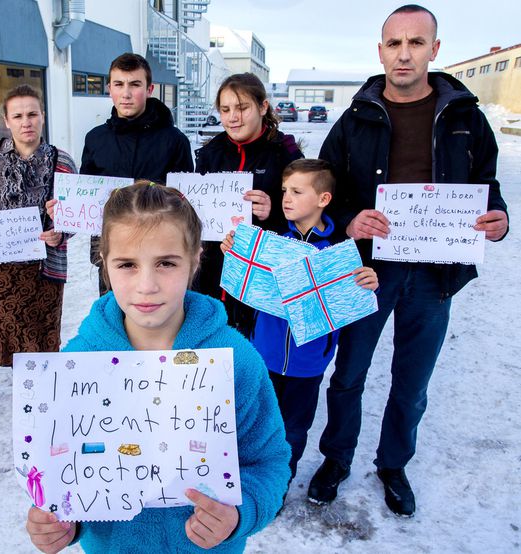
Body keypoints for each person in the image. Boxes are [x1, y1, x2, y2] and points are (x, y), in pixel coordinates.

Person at [307, 4, 509, 517]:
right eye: (394, 44)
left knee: (412, 380)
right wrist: (350, 220)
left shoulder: (467, 118)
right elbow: (327, 189)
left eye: (416, 43)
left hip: (436, 274)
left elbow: (489, 188)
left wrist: (498, 218)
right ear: (380, 51)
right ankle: (337, 458)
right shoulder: (354, 119)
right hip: (368, 269)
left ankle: (393, 465)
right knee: (349, 373)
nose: (404, 54)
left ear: (435, 50)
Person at [26, 181, 290, 553]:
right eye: (127, 265)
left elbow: (269, 461)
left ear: (195, 260)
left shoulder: (236, 360)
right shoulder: (76, 368)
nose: (146, 286)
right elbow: (64, 475)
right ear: (104, 262)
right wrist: (62, 523)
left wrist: (239, 515)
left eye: (166, 263)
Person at [220, 159, 378, 482]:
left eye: (296, 191)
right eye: (284, 191)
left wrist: (368, 280)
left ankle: (279, 482)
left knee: (294, 427)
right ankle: (253, 478)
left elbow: (353, 294)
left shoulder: (339, 251)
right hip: (265, 353)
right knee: (258, 420)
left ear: (323, 199)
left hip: (309, 363)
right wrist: (232, 251)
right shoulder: (269, 239)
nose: (286, 198)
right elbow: (245, 279)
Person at [0, 85, 77, 367]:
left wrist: (59, 231)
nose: (26, 122)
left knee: (40, 344)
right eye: (18, 115)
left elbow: (75, 215)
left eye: (32, 114)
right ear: (6, 120)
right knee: (7, 343)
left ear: (43, 116)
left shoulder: (62, 162)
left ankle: (39, 397)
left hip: (42, 271)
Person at [194, 73, 303, 337]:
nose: (233, 117)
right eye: (225, 109)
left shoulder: (284, 153)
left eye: (242, 108)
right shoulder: (210, 153)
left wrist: (274, 210)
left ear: (263, 107)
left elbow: (307, 214)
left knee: (253, 354)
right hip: (214, 272)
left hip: (261, 281)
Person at [81, 52, 194, 296]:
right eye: (119, 84)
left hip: (159, 256)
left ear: (150, 88)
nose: (126, 93)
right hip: (113, 253)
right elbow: (84, 195)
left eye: (135, 84)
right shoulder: (95, 139)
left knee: (157, 325)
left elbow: (186, 203)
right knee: (115, 324)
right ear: (109, 88)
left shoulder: (175, 141)